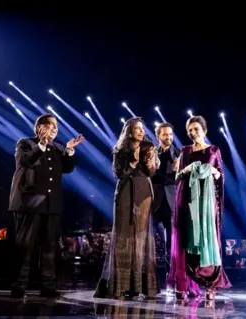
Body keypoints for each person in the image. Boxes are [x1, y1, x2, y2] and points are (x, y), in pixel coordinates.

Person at [8, 114, 84, 298]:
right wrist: (41, 145)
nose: (54, 128)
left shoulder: (58, 147)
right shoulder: (25, 143)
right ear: (40, 127)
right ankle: (19, 285)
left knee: (50, 247)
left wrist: (70, 150)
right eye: (50, 125)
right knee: (25, 246)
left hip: (51, 204)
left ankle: (48, 286)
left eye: (56, 125)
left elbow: (67, 168)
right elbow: (25, 161)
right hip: (30, 203)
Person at [95, 118, 160, 299]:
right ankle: (120, 285)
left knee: (141, 236)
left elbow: (152, 172)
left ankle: (141, 285)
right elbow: (119, 174)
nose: (140, 131)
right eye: (136, 128)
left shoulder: (149, 146)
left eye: (142, 128)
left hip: (144, 192)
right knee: (123, 234)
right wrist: (132, 161)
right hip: (124, 193)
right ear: (129, 131)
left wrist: (147, 162)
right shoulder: (120, 150)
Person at [167, 115, 231, 301]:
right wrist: (185, 170)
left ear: (205, 130)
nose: (193, 133)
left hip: (208, 201)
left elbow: (221, 177)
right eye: (190, 130)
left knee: (208, 239)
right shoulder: (185, 151)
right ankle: (184, 283)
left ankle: (211, 284)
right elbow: (177, 177)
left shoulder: (214, 150)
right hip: (188, 200)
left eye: (196, 129)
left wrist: (214, 172)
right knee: (187, 240)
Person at [151, 123, 180, 275]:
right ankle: (148, 275)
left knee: (171, 240)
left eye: (170, 134)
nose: (168, 137)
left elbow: (183, 177)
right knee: (149, 238)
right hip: (154, 200)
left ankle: (171, 274)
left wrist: (177, 170)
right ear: (158, 136)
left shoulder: (179, 153)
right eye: (165, 134)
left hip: (171, 200)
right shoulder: (151, 152)